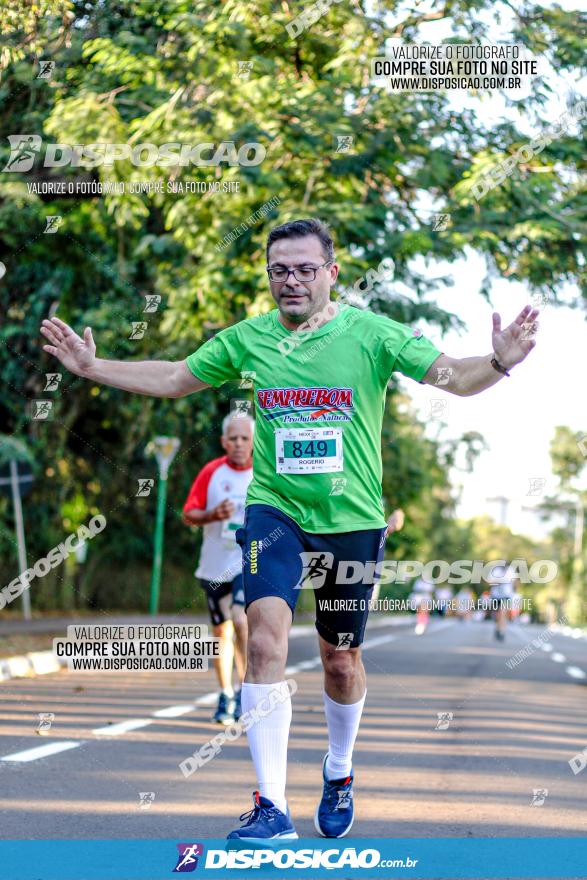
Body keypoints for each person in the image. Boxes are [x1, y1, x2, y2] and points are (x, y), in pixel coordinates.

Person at [40, 216, 539, 841]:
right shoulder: (248, 339)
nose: (292, 281)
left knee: (339, 660)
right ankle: (271, 805)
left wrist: (498, 360)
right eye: (280, 271)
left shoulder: (373, 335)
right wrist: (92, 367)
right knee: (266, 641)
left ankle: (338, 769)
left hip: (351, 521)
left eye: (306, 269)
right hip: (274, 512)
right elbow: (172, 377)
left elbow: (456, 378)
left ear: (332, 273)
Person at [182, 412, 254, 724]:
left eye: (245, 438)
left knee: (241, 619)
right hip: (214, 565)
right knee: (221, 631)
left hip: (247, 561)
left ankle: (245, 691)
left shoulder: (264, 473)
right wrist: (212, 515)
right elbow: (189, 513)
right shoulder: (211, 472)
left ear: (254, 442)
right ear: (224, 441)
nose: (239, 444)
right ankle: (225, 694)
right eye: (233, 438)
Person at [489, 563, 515, 641]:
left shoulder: (510, 570)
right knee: (497, 615)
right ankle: (497, 628)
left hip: (506, 595)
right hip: (496, 595)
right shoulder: (495, 570)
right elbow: (490, 581)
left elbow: (513, 581)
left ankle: (502, 632)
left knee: (503, 613)